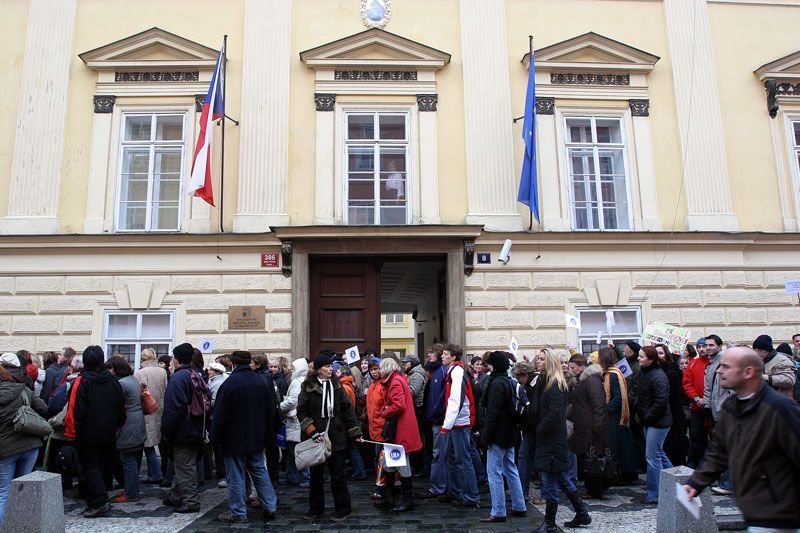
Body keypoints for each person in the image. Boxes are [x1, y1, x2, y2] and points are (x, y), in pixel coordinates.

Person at [682, 347, 800, 530]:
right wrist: (696, 482)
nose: (720, 371)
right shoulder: (731, 406)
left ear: (748, 372)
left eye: (726, 367)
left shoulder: (779, 408)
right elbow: (719, 451)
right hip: (753, 511)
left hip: (779, 514)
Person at [211, 350, 278, 523]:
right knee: (259, 471)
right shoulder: (261, 381)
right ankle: (270, 506)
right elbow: (270, 412)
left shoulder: (230, 384)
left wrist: (215, 437)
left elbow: (220, 415)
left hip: (234, 438)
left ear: (233, 364)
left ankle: (238, 512)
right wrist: (267, 436)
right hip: (256, 436)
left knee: (236, 476)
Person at [297, 354, 363, 521]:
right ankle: (315, 509)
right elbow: (302, 411)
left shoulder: (337, 386)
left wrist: (356, 433)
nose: (330, 369)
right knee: (316, 476)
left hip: (337, 437)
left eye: (331, 366)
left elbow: (347, 411)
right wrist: (312, 431)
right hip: (316, 438)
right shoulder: (307, 387)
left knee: (338, 476)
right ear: (319, 369)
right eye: (326, 366)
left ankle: (343, 509)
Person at [532, 348, 591, 532]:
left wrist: (539, 430)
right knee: (561, 477)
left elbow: (555, 414)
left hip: (552, 439)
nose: (538, 362)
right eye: (538, 359)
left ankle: (550, 523)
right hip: (549, 439)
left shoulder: (556, 384)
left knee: (550, 480)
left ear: (549, 362)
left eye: (541, 359)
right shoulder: (545, 381)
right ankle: (582, 513)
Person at [68, 345, 125, 518]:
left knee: (90, 467)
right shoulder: (113, 380)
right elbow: (121, 406)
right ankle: (96, 500)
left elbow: (75, 409)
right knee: (101, 466)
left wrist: (73, 432)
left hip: (88, 432)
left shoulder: (82, 380)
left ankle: (99, 501)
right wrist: (118, 425)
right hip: (109, 431)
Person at [479, 351, 526, 523]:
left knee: (494, 473)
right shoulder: (509, 381)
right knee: (510, 469)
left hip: (498, 434)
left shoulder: (496, 383)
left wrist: (486, 436)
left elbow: (493, 413)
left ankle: (498, 511)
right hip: (510, 432)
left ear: (494, 366)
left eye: (489, 364)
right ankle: (519, 506)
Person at [161, 343, 208, 513]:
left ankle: (191, 502)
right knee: (183, 464)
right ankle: (175, 496)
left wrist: (165, 430)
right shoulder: (195, 374)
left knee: (185, 466)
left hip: (183, 429)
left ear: (177, 358)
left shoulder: (178, 378)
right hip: (197, 427)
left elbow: (174, 408)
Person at [0, 365, 48, 525]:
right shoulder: (22, 390)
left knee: (3, 492)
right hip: (29, 445)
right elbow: (43, 407)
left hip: (5, 449)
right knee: (22, 488)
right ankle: (21, 525)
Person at [376, 357, 422, 512]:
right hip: (399, 428)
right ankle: (389, 499)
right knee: (390, 463)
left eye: (381, 368)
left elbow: (399, 405)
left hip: (400, 429)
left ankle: (407, 500)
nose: (379, 371)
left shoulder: (395, 382)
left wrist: (384, 412)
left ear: (387, 368)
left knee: (402, 463)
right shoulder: (396, 379)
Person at [440, 343, 479, 508]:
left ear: (453, 357)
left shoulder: (457, 373)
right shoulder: (453, 371)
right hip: (455, 422)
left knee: (463, 460)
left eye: (445, 354)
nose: (442, 356)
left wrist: (446, 425)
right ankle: (455, 491)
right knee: (450, 457)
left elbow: (455, 400)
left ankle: (470, 496)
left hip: (459, 423)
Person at [567, 354, 610, 499]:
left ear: (581, 366)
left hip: (592, 428)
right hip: (585, 426)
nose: (571, 370)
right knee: (589, 458)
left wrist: (597, 426)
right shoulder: (583, 380)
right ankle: (592, 488)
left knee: (594, 459)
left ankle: (595, 489)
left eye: (573, 367)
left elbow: (598, 404)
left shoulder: (591, 380)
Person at [106, 357, 146, 503]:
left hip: (128, 423)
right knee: (135, 458)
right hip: (138, 421)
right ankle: (131, 487)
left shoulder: (121, 383)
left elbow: (114, 404)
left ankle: (131, 492)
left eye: (110, 368)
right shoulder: (132, 379)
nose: (109, 371)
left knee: (128, 459)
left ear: (116, 368)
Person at [636, 346, 672, 504]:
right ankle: (677, 483)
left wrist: (648, 417)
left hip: (657, 422)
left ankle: (654, 494)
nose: (639, 359)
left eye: (642, 356)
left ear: (650, 359)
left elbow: (661, 402)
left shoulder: (658, 375)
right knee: (658, 454)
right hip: (650, 420)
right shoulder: (645, 372)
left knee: (652, 457)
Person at [597, 348, 638, 483]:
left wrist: (606, 409)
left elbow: (618, 397)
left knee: (619, 446)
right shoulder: (611, 373)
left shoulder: (613, 374)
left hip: (615, 417)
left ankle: (623, 473)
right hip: (615, 415)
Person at [702, 334, 734, 495]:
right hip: (715, 412)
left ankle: (728, 483)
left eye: (711, 345)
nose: (708, 348)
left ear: (719, 346)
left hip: (724, 413)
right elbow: (708, 388)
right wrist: (707, 406)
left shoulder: (724, 362)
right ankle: (724, 481)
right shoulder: (711, 363)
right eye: (706, 345)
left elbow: (731, 391)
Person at [135, 348, 168, 486]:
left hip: (146, 411)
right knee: (161, 443)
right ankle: (164, 471)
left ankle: (155, 474)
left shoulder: (140, 373)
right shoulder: (162, 372)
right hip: (161, 409)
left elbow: (138, 393)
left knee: (148, 445)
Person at [513, 359, 542, 504]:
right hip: (531, 427)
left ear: (525, 374)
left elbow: (534, 409)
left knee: (530, 458)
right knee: (525, 457)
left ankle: (537, 492)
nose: (519, 381)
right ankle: (522, 491)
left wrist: (524, 424)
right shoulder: (531, 383)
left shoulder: (537, 383)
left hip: (535, 426)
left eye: (519, 377)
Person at [655, 344, 687, 467]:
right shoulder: (656, 371)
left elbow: (669, 395)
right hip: (663, 414)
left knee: (675, 446)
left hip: (673, 413)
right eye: (656, 353)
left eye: (661, 353)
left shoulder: (672, 371)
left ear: (667, 355)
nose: (658, 356)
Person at [251, 352, 280, 482]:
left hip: (265, 421)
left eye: (251, 362)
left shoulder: (261, 378)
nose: (249, 365)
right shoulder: (266, 377)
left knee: (264, 455)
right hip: (269, 420)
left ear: (257, 364)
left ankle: (268, 481)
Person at [281, 358, 309, 488]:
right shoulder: (302, 381)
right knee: (293, 450)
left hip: (295, 421)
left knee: (296, 451)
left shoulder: (297, 382)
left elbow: (293, 401)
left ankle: (307, 477)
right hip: (296, 422)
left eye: (294, 368)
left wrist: (280, 406)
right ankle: (290, 476)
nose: (292, 370)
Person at [682, 337, 709, 468]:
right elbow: (687, 383)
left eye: (704, 346)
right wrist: (696, 398)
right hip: (696, 407)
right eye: (699, 347)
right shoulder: (693, 363)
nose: (702, 349)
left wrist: (706, 400)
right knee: (697, 438)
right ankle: (697, 466)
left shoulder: (714, 362)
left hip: (711, 408)